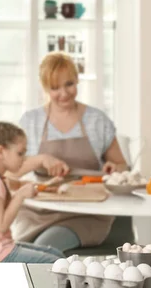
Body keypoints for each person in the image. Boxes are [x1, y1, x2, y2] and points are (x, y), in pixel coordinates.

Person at [12, 51, 128, 252]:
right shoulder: (31, 122)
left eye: (69, 84)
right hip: (40, 210)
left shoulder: (97, 120)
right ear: (45, 88)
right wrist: (41, 159)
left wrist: (113, 167)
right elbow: (10, 174)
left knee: (42, 249)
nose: (64, 93)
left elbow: (122, 165)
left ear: (77, 80)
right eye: (55, 88)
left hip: (88, 212)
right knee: (15, 253)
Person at [0, 121, 64, 263]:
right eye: (20, 153)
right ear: (0, 152)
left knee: (56, 254)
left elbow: (17, 184)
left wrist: (43, 185)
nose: (24, 159)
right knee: (55, 262)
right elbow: (2, 225)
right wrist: (20, 196)